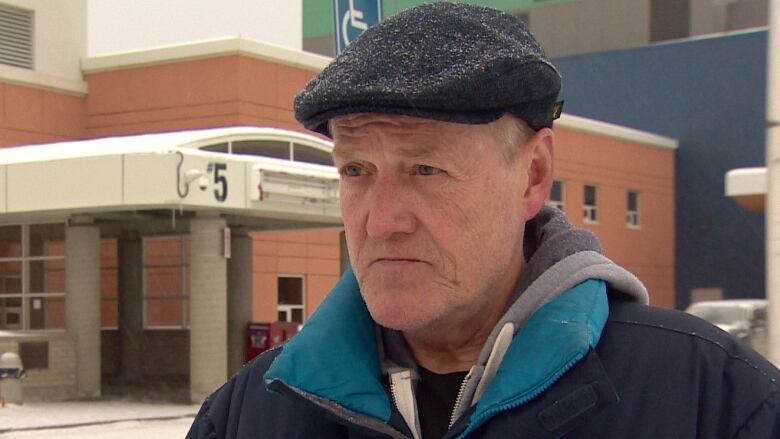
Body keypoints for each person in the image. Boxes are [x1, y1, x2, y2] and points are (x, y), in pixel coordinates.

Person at [187, 3, 780, 438]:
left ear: (533, 174)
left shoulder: (713, 404)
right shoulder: (251, 416)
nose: (381, 220)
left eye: (425, 169)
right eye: (356, 171)